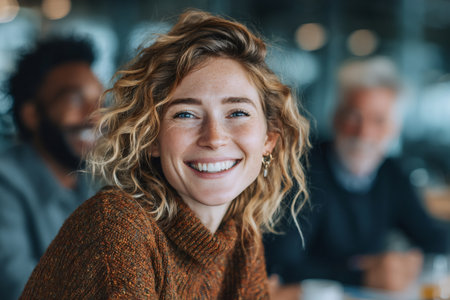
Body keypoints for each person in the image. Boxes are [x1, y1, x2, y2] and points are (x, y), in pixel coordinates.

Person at [19, 10, 310, 299]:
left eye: (237, 112)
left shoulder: (240, 237)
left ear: (269, 140)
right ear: (151, 138)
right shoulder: (117, 225)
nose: (214, 138)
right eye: (185, 114)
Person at [264, 57, 448, 295]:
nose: (365, 133)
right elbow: (280, 264)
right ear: (336, 118)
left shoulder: (391, 173)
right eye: (354, 117)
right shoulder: (301, 171)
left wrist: (411, 262)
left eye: (379, 120)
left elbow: (434, 237)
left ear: (394, 129)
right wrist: (362, 275)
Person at [0, 36, 103, 299]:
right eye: (76, 100)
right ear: (32, 115)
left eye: (100, 101)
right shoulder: (5, 185)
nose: (96, 116)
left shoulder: (90, 184)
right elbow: (19, 290)